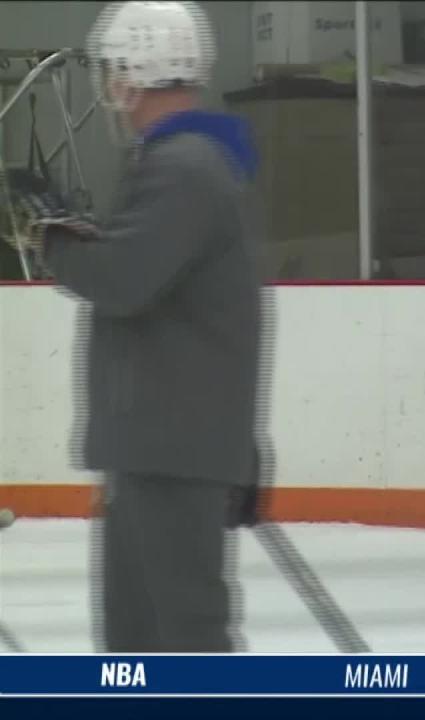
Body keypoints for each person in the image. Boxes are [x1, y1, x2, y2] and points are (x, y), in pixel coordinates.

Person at [9, 1, 266, 651]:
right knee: (135, 643)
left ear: (134, 72)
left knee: (179, 640)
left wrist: (52, 239)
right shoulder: (183, 163)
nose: (109, 92)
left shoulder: (184, 168)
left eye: (113, 73)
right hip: (159, 447)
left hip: (169, 452)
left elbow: (123, 279)